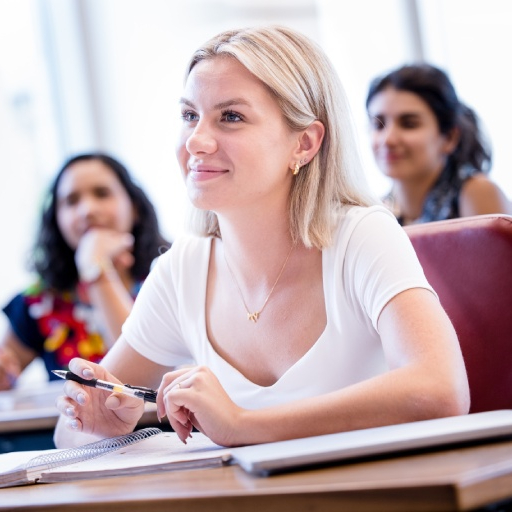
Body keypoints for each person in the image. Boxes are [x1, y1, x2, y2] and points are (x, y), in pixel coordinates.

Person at [54, 26, 469, 449]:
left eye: (230, 117)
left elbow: (440, 389)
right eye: (189, 115)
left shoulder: (361, 236)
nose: (196, 140)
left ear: (304, 144)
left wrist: (246, 424)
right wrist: (94, 421)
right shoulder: (183, 270)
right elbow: (68, 430)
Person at [0, 152, 169, 390]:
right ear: (56, 220)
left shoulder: (169, 280)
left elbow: (145, 376)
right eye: (71, 201)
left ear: (135, 207)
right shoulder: (39, 303)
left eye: (102, 193)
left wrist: (96, 268)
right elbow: (6, 373)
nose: (87, 209)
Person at [366, 63, 512, 225]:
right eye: (378, 125)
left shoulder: (476, 192)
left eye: (409, 124)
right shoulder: (377, 212)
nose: (388, 140)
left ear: (449, 137)